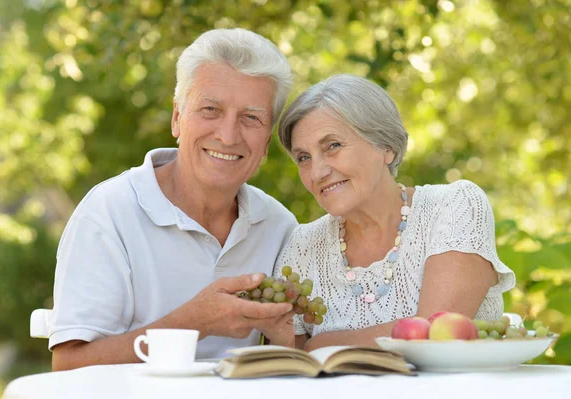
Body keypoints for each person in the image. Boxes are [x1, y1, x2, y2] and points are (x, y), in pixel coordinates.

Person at [49, 28, 298, 371]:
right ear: (177, 118)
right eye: (210, 109)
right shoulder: (108, 212)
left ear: (267, 142)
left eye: (251, 118)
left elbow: (293, 356)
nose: (227, 135)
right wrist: (196, 322)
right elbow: (69, 366)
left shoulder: (280, 226)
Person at [274, 74, 515, 351]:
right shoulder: (302, 245)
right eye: (303, 158)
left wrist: (320, 344)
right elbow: (289, 362)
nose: (317, 172)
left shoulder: (454, 205)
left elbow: (435, 335)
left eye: (333, 146)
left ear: (386, 147)